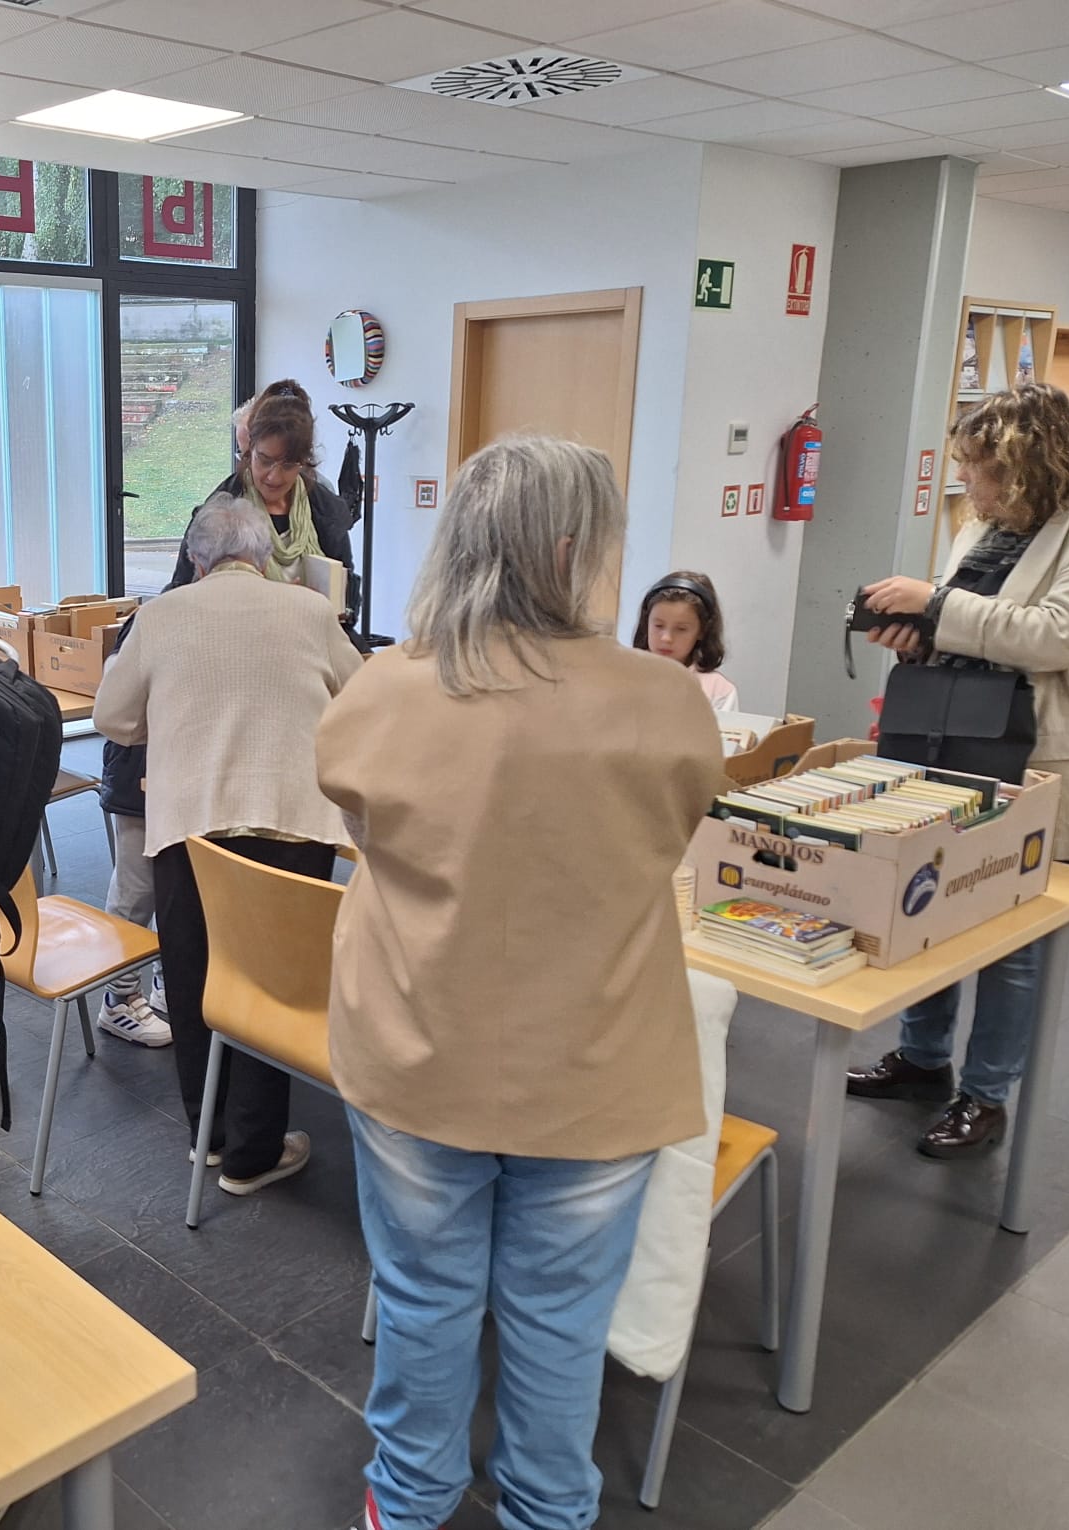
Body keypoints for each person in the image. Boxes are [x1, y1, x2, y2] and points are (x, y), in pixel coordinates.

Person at [315, 436, 722, 1530]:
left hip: (415, 1045)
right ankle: (547, 1509)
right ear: (572, 548)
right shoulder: (665, 701)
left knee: (423, 1298)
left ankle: (409, 1502)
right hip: (598, 1063)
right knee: (559, 1317)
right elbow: (675, 830)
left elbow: (361, 824)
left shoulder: (384, 689)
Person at [848, 383, 1069, 1156]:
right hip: (952, 746)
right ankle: (922, 1061)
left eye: (983, 471)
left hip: (1040, 758)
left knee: (1016, 945)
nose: (971, 487)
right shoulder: (978, 527)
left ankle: (985, 1096)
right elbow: (977, 632)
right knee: (930, 908)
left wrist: (936, 603)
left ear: (1027, 466)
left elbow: (1056, 636)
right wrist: (919, 633)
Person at [94, 493, 361, 1194]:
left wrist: (175, 721)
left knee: (195, 976)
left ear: (195, 555)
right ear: (264, 554)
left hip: (191, 824)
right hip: (295, 822)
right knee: (271, 981)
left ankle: (206, 1138)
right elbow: (361, 701)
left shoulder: (160, 616)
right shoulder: (310, 611)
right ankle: (253, 1151)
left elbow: (111, 717)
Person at [169, 380, 359, 632]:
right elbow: (183, 594)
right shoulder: (219, 513)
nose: (274, 477)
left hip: (310, 639)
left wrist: (330, 608)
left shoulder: (326, 513)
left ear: (305, 462)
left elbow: (348, 596)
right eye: (265, 460)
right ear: (249, 450)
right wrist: (280, 604)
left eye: (289, 465)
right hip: (237, 644)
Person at [92, 614, 173, 1048]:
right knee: (136, 890)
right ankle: (118, 999)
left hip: (176, 773)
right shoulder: (151, 623)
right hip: (137, 774)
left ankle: (165, 979)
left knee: (177, 884)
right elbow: (115, 709)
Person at [633, 569, 740, 712]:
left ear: (702, 631)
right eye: (658, 626)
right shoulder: (621, 676)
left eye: (681, 629)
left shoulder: (719, 690)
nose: (666, 638)